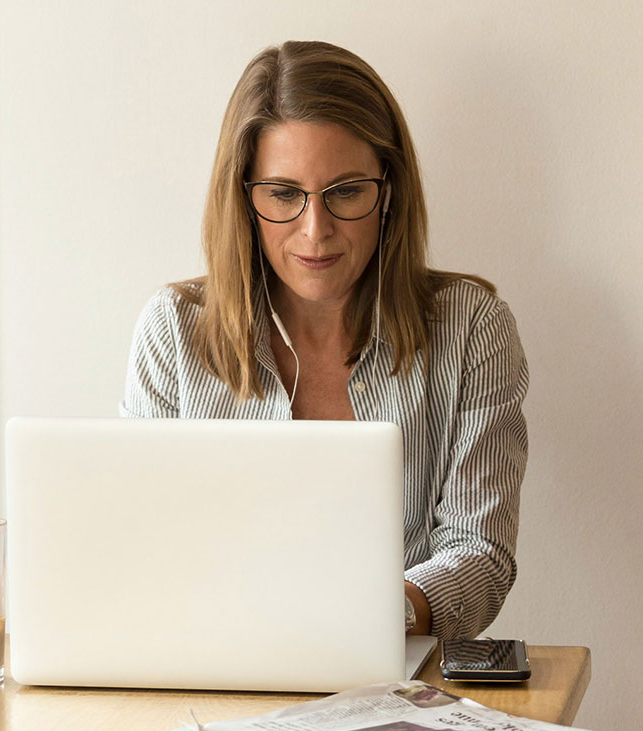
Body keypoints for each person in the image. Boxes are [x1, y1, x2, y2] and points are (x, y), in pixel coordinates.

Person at [121, 40, 528, 640]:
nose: (316, 231)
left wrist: (368, 617)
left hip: (398, 683)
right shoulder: (173, 332)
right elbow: (140, 550)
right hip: (211, 673)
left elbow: (481, 554)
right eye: (284, 194)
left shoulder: (470, 328)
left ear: (387, 191)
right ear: (244, 198)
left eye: (345, 192)